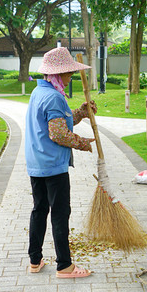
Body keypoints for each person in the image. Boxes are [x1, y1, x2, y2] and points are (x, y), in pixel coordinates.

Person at [25, 46, 98, 278]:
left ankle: (35, 261)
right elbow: (58, 134)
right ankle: (65, 266)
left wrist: (80, 112)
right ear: (57, 74)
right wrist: (83, 143)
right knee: (59, 213)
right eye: (68, 74)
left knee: (39, 210)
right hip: (52, 166)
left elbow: (57, 123)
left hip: (37, 164)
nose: (70, 78)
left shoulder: (39, 92)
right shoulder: (54, 97)